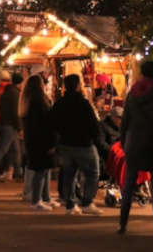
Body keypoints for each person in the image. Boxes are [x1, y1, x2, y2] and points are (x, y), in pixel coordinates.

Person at [118, 60, 153, 238]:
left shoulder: (132, 94)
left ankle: (122, 224)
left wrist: (124, 142)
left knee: (128, 185)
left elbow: (124, 122)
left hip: (133, 143)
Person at [50, 74, 102, 216]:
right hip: (84, 144)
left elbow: (53, 123)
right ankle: (87, 202)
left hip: (66, 144)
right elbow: (93, 124)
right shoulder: (83, 103)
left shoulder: (60, 103)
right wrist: (94, 137)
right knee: (93, 172)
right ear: (78, 85)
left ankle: (70, 204)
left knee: (69, 174)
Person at [21, 74, 58, 210]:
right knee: (40, 171)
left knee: (43, 170)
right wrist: (50, 141)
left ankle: (44, 197)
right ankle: (36, 200)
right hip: (41, 141)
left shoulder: (28, 100)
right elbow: (44, 123)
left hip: (35, 140)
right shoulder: (38, 101)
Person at [0, 72, 24, 182]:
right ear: (19, 83)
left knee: (15, 149)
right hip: (10, 125)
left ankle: (18, 173)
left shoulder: (6, 92)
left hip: (5, 123)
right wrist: (19, 127)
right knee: (4, 149)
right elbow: (15, 112)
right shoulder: (15, 94)